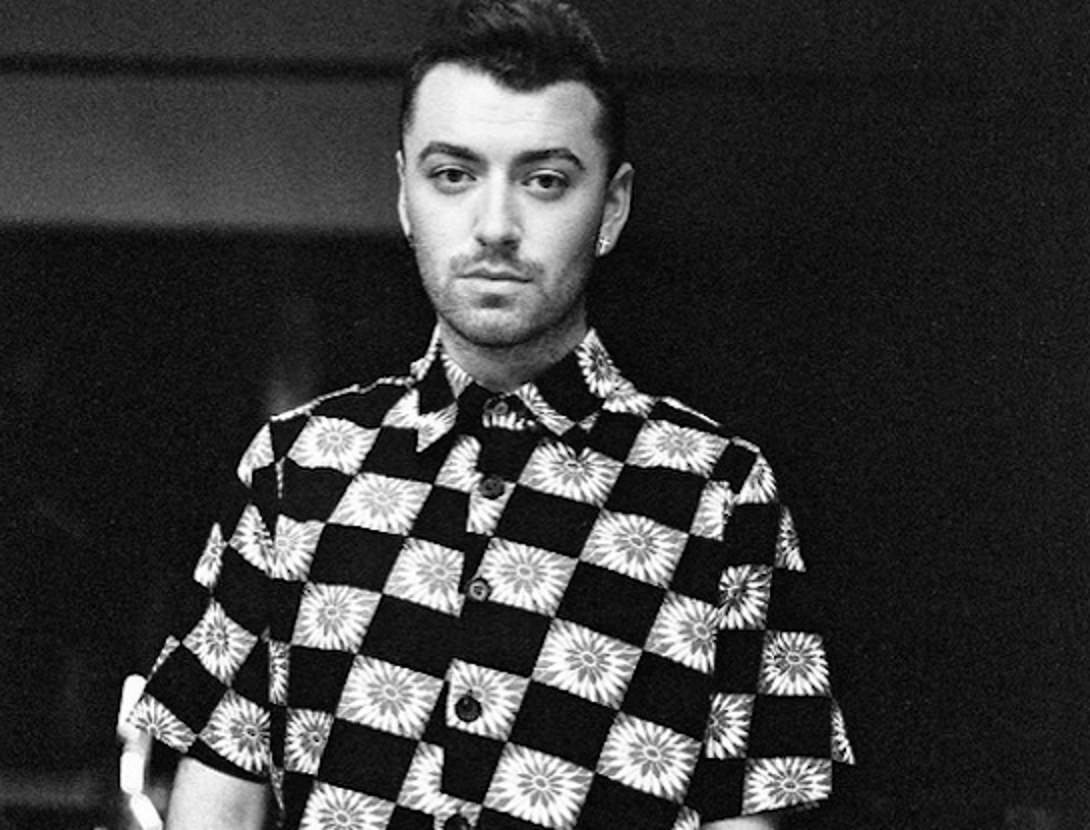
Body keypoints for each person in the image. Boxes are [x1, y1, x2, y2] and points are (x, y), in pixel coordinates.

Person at [129, 1, 854, 828]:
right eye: (453, 175)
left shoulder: (719, 495)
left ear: (613, 207)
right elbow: (216, 809)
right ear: (404, 195)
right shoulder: (297, 470)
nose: (496, 226)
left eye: (545, 181)